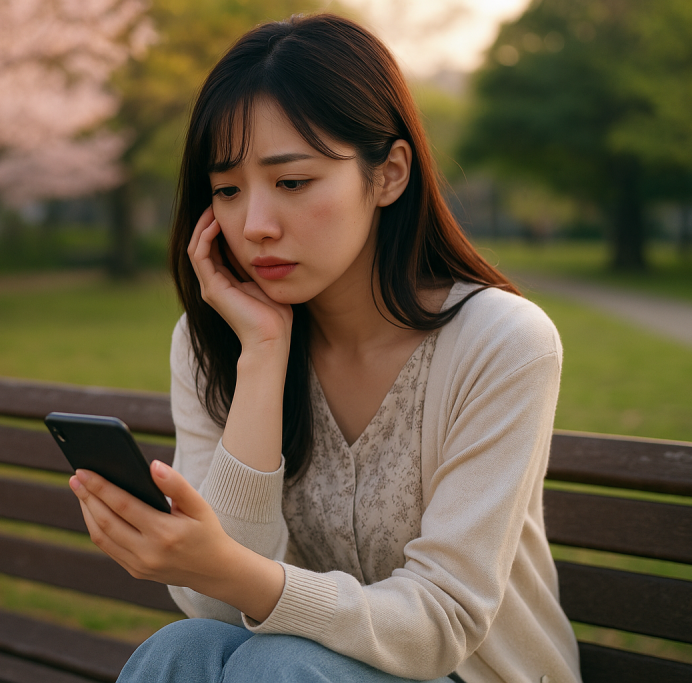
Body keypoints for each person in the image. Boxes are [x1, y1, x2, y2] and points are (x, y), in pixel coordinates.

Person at [68, 13, 582, 683]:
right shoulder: (213, 343)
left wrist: (235, 569)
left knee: (277, 665)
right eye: (226, 190)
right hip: (289, 668)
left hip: (470, 674)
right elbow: (214, 606)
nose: (253, 225)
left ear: (389, 174)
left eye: (291, 182)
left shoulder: (500, 342)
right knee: (183, 648)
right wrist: (261, 354)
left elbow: (443, 622)